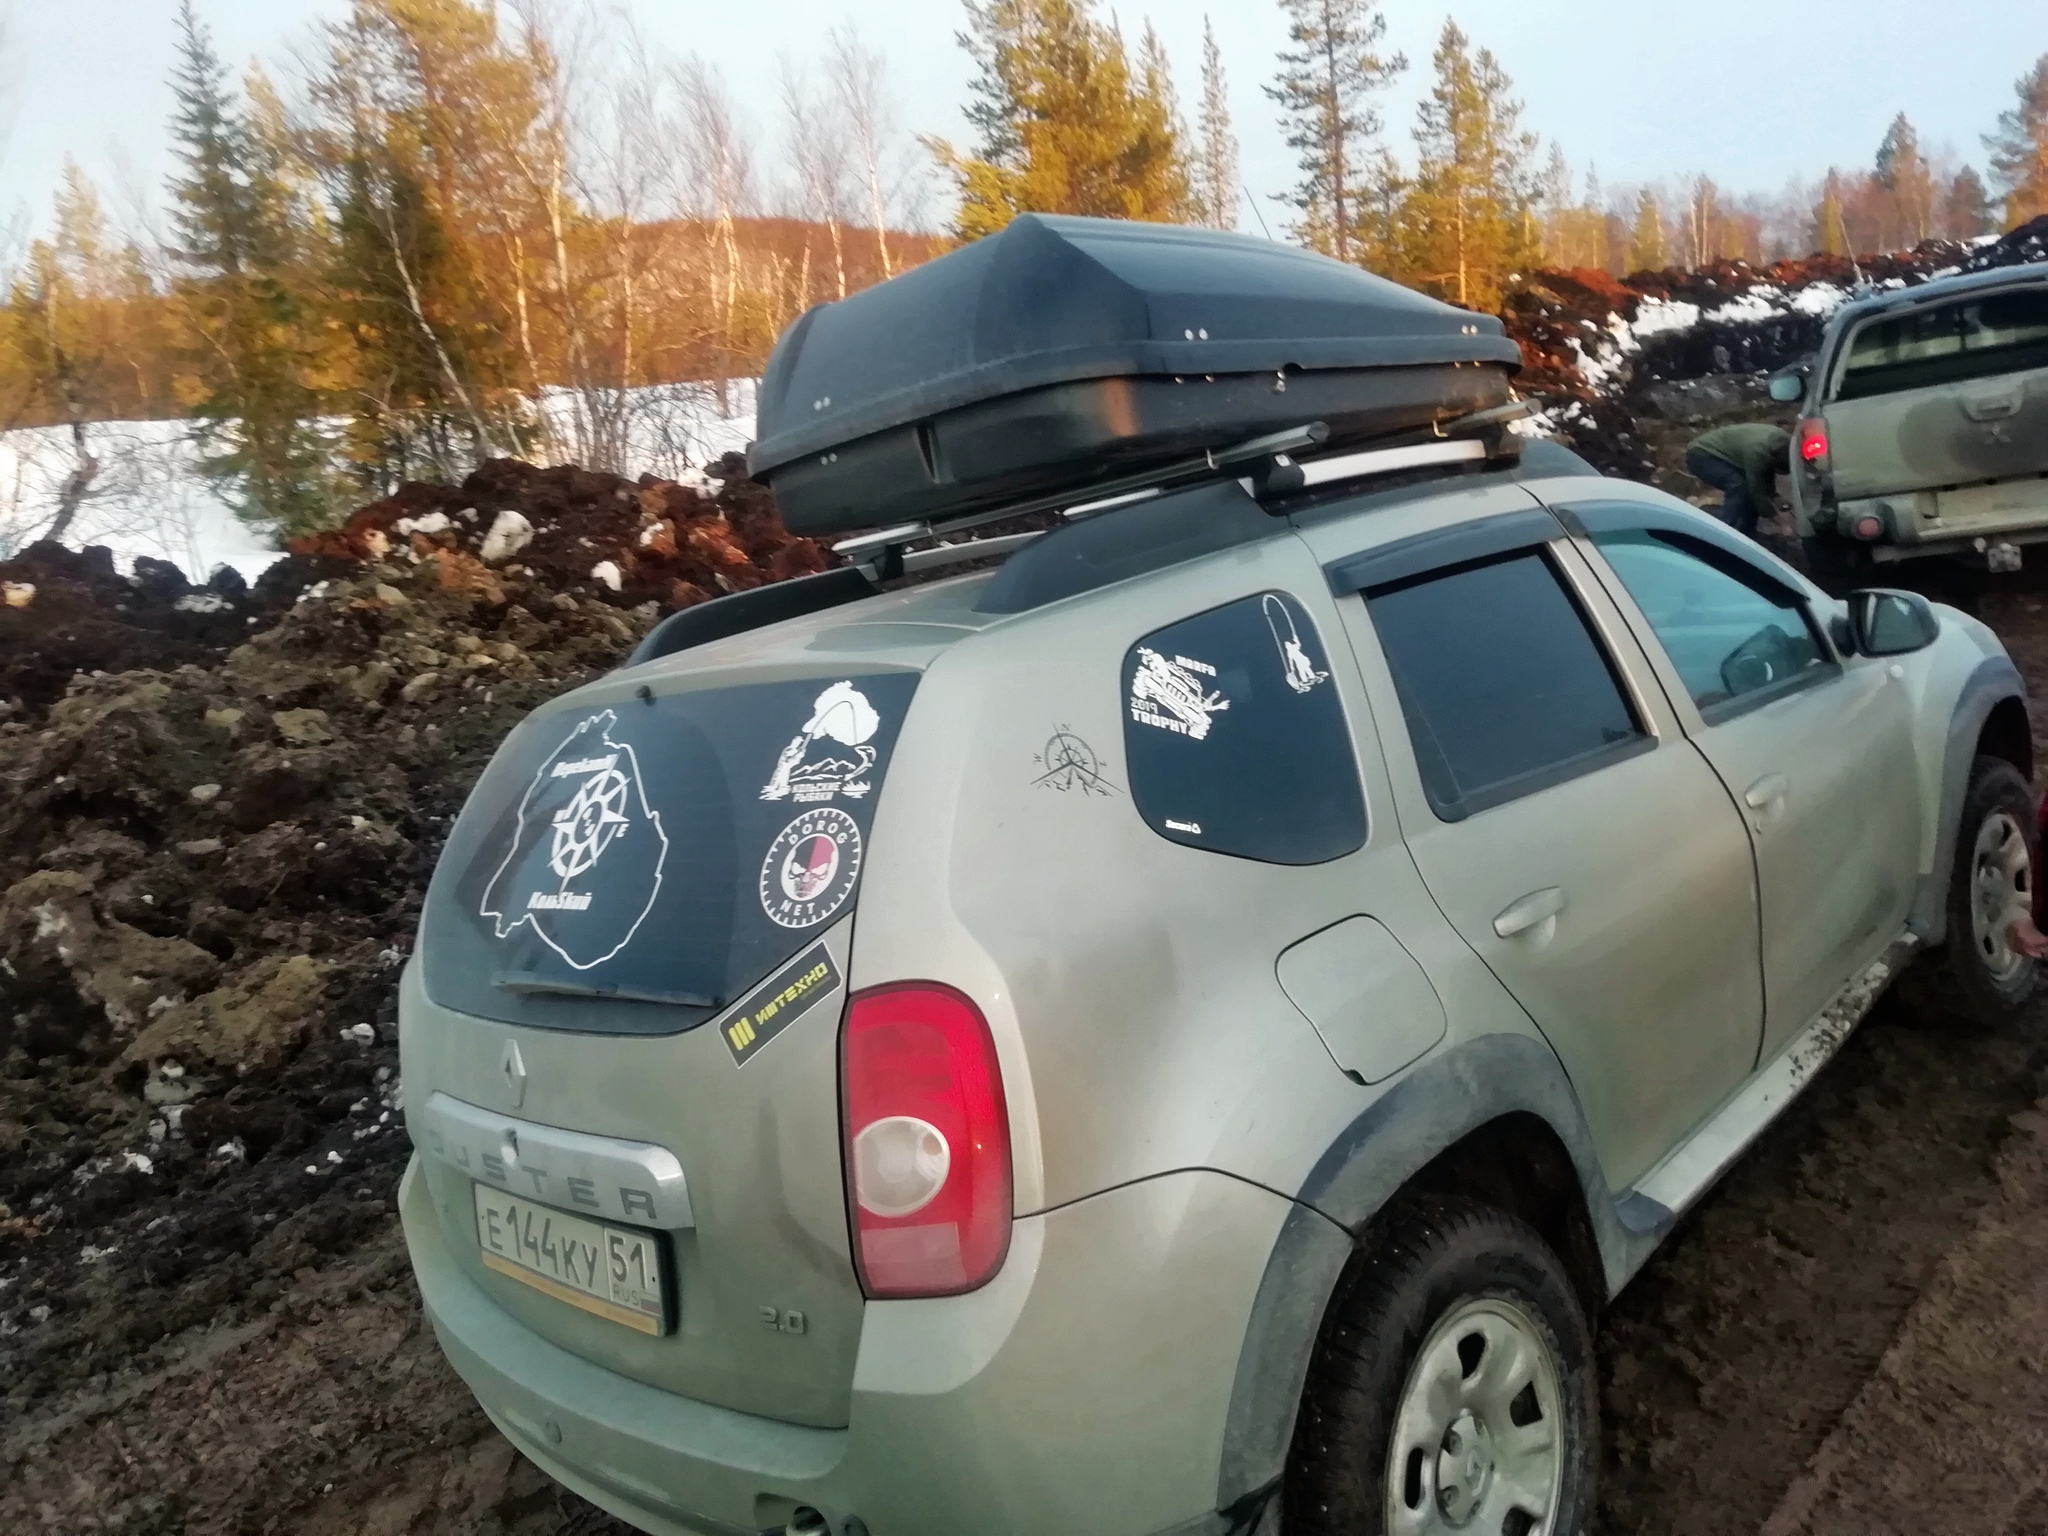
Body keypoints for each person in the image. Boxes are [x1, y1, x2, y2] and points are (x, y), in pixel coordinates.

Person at [1685, 423, 1792, 539]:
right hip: (1701, 454)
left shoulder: (1785, 443)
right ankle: (1726, 532)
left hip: (1727, 455)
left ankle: (1747, 533)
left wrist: (1774, 495)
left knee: (1746, 491)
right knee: (1739, 485)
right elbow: (1756, 490)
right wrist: (1780, 522)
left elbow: (1765, 472)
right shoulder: (1757, 453)